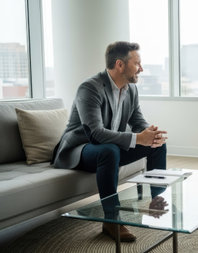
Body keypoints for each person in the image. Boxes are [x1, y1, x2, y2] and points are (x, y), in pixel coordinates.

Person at [52, 41, 167, 242]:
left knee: (157, 146)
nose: (141, 68)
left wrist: (149, 134)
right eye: (137, 63)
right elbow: (95, 133)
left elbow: (137, 121)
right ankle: (111, 220)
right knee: (109, 151)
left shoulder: (131, 89)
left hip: (110, 148)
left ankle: (158, 201)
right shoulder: (90, 88)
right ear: (120, 65)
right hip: (80, 149)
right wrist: (138, 138)